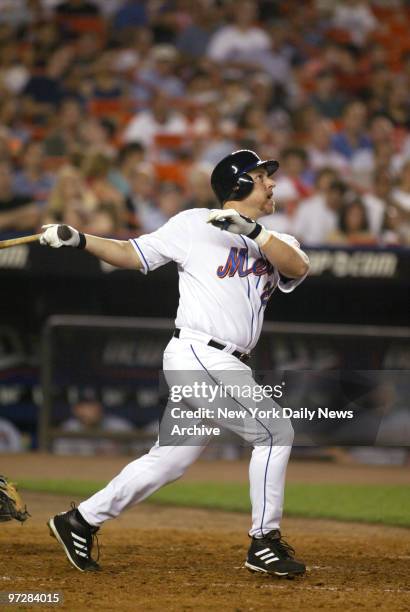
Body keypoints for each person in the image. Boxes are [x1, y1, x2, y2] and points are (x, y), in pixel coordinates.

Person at [40, 149, 309, 578]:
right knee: (275, 431)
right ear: (239, 185)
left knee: (170, 459)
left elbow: (299, 265)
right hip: (199, 354)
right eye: (262, 177)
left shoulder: (276, 240)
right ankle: (264, 542)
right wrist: (80, 238)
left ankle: (80, 521)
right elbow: (132, 254)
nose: (272, 183)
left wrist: (254, 232)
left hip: (226, 362)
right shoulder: (192, 224)